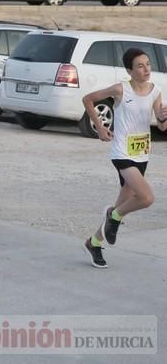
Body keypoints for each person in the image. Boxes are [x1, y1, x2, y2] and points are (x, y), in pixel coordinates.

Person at [82, 48, 167, 268]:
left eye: (148, 64)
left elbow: (161, 125)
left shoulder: (155, 90)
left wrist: (163, 118)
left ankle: (94, 242)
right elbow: (88, 99)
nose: (146, 69)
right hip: (122, 153)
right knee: (146, 198)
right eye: (140, 65)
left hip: (142, 154)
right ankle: (114, 216)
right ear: (129, 70)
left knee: (124, 203)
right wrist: (101, 128)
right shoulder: (121, 89)